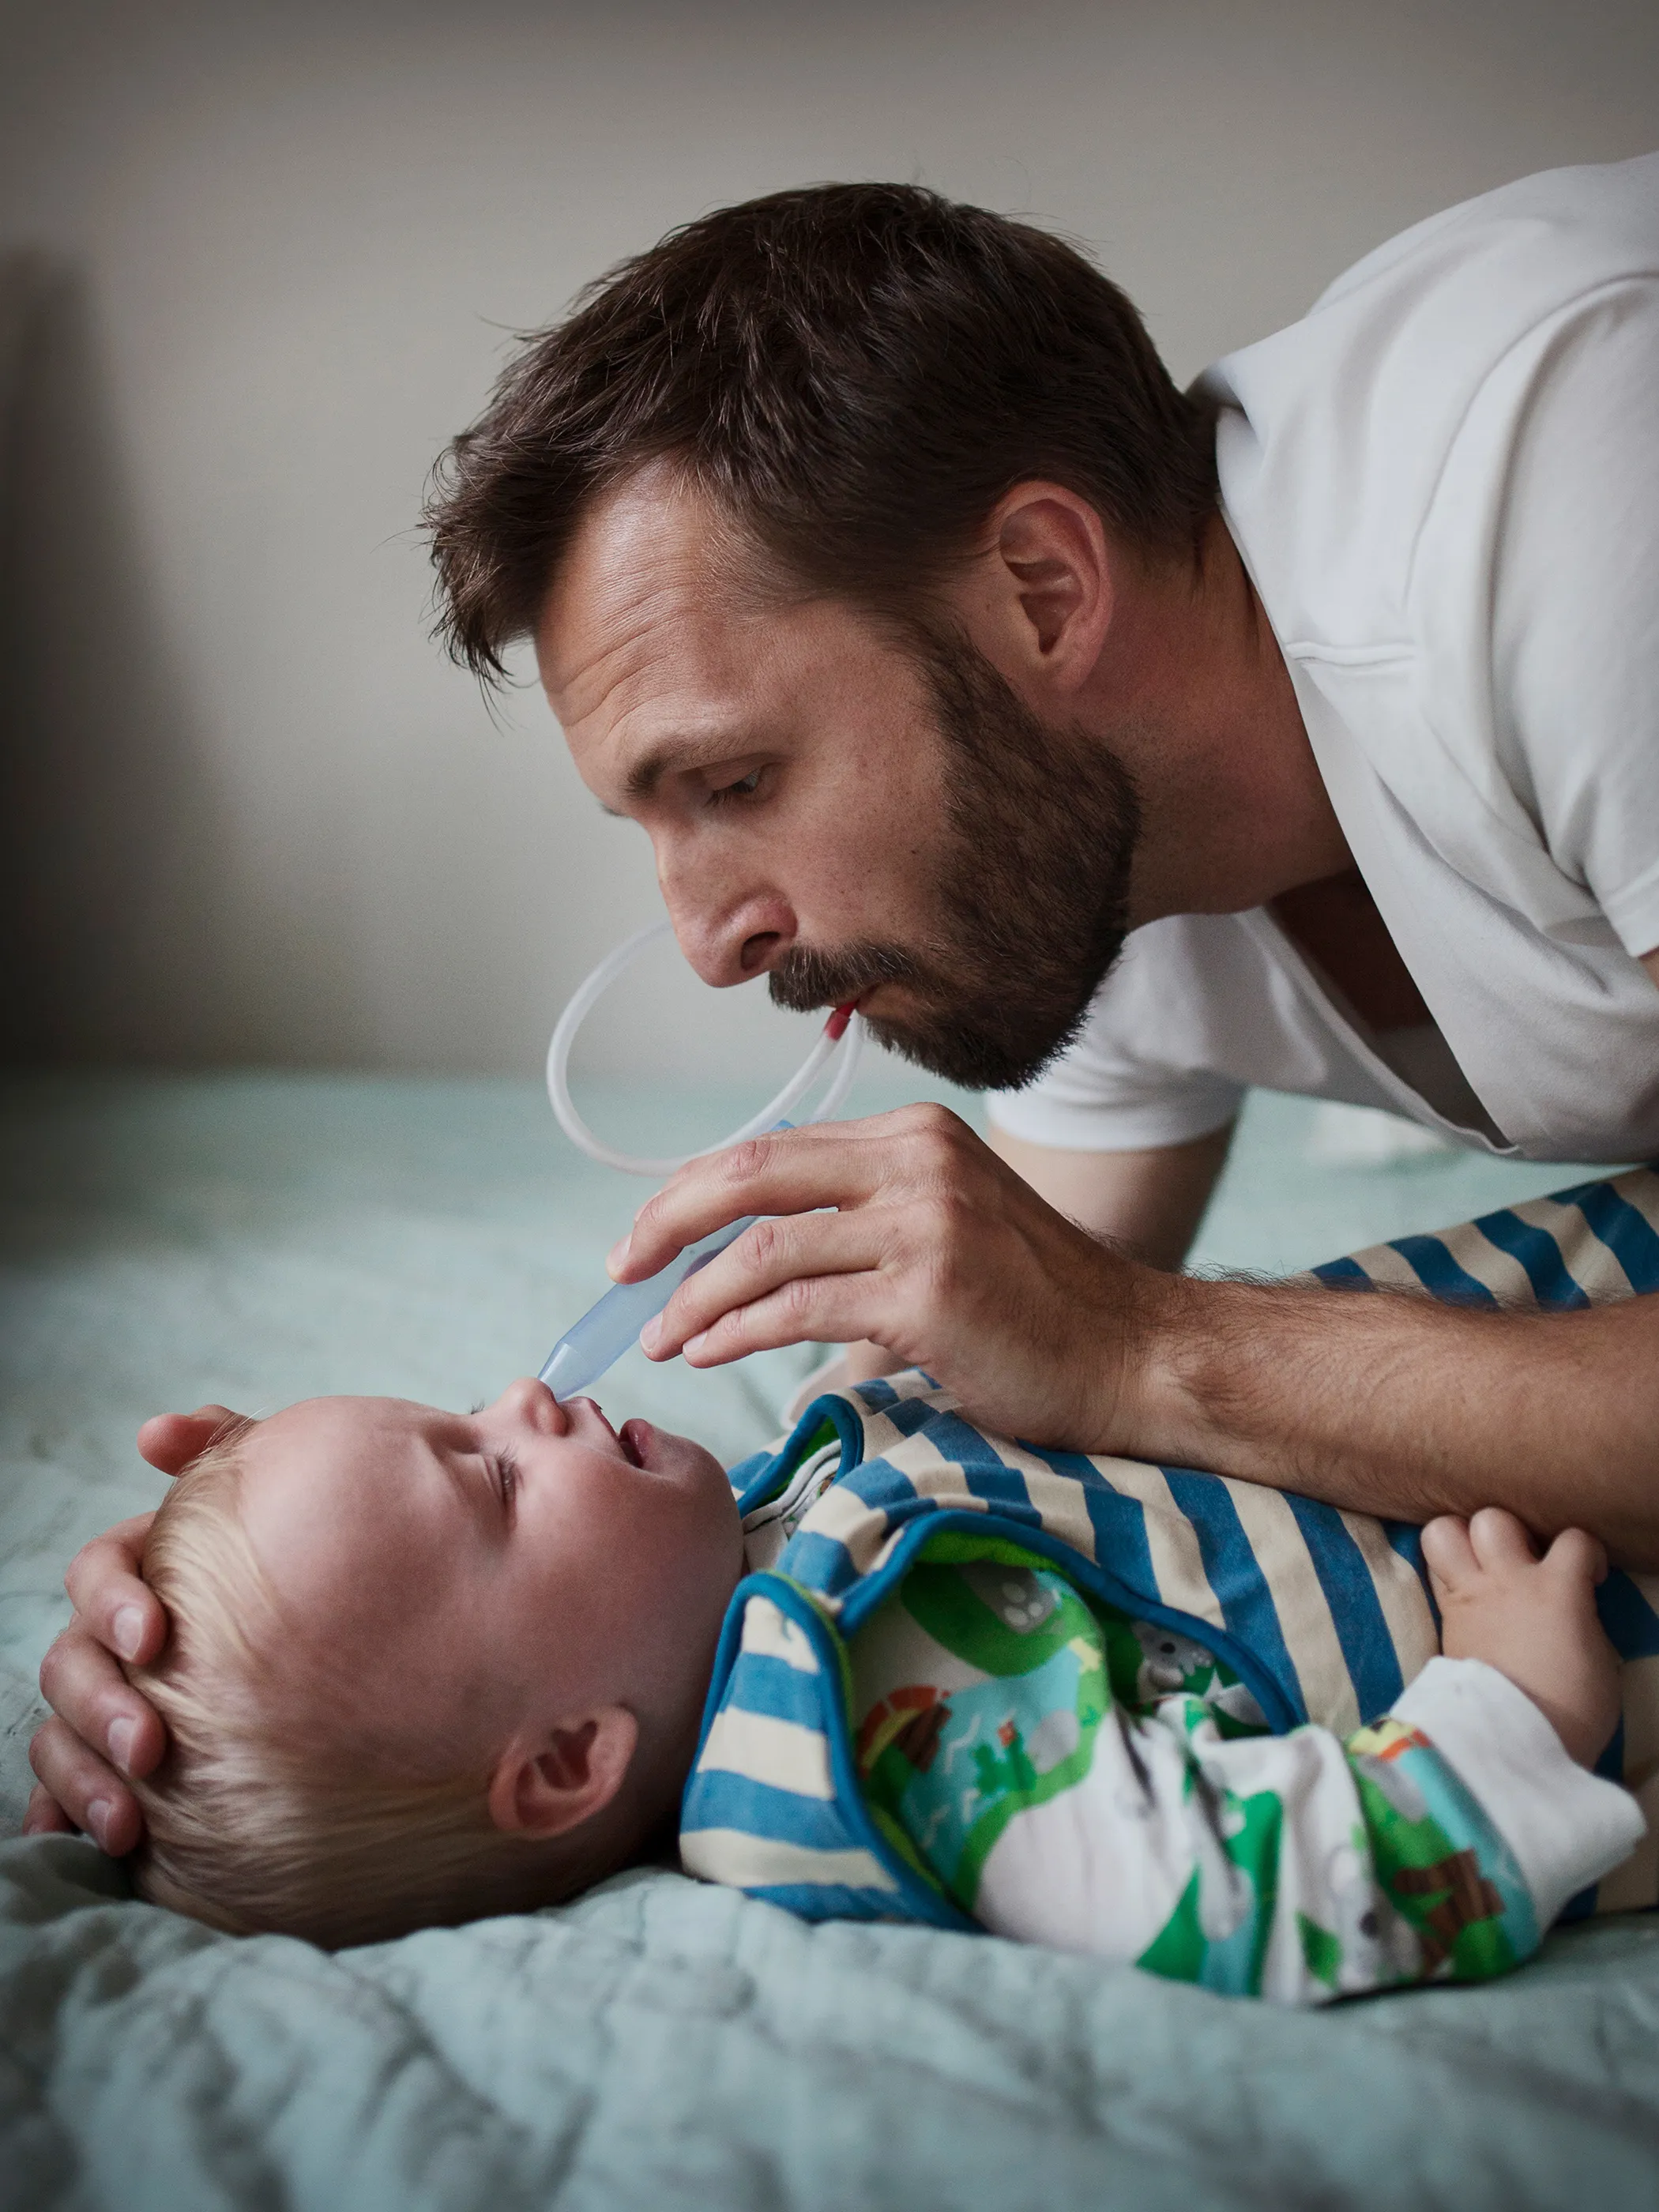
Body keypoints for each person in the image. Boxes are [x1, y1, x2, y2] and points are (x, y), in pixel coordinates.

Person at [28, 156, 1659, 1849]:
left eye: (733, 777)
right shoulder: (1076, 862)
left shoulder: (1576, 502)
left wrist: (1139, 1339)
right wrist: (276, 1651)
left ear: (1043, 589)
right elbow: (973, 1397)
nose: (709, 942)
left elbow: (1098, 1343)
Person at [107, 1373, 1641, 1999]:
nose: (524, 1395)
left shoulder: (771, 1549)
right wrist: (1511, 1712)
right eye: (495, 1479)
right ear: (574, 1756)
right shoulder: (888, 1760)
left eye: (458, 1407)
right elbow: (1250, 1894)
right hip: (1570, 1600)